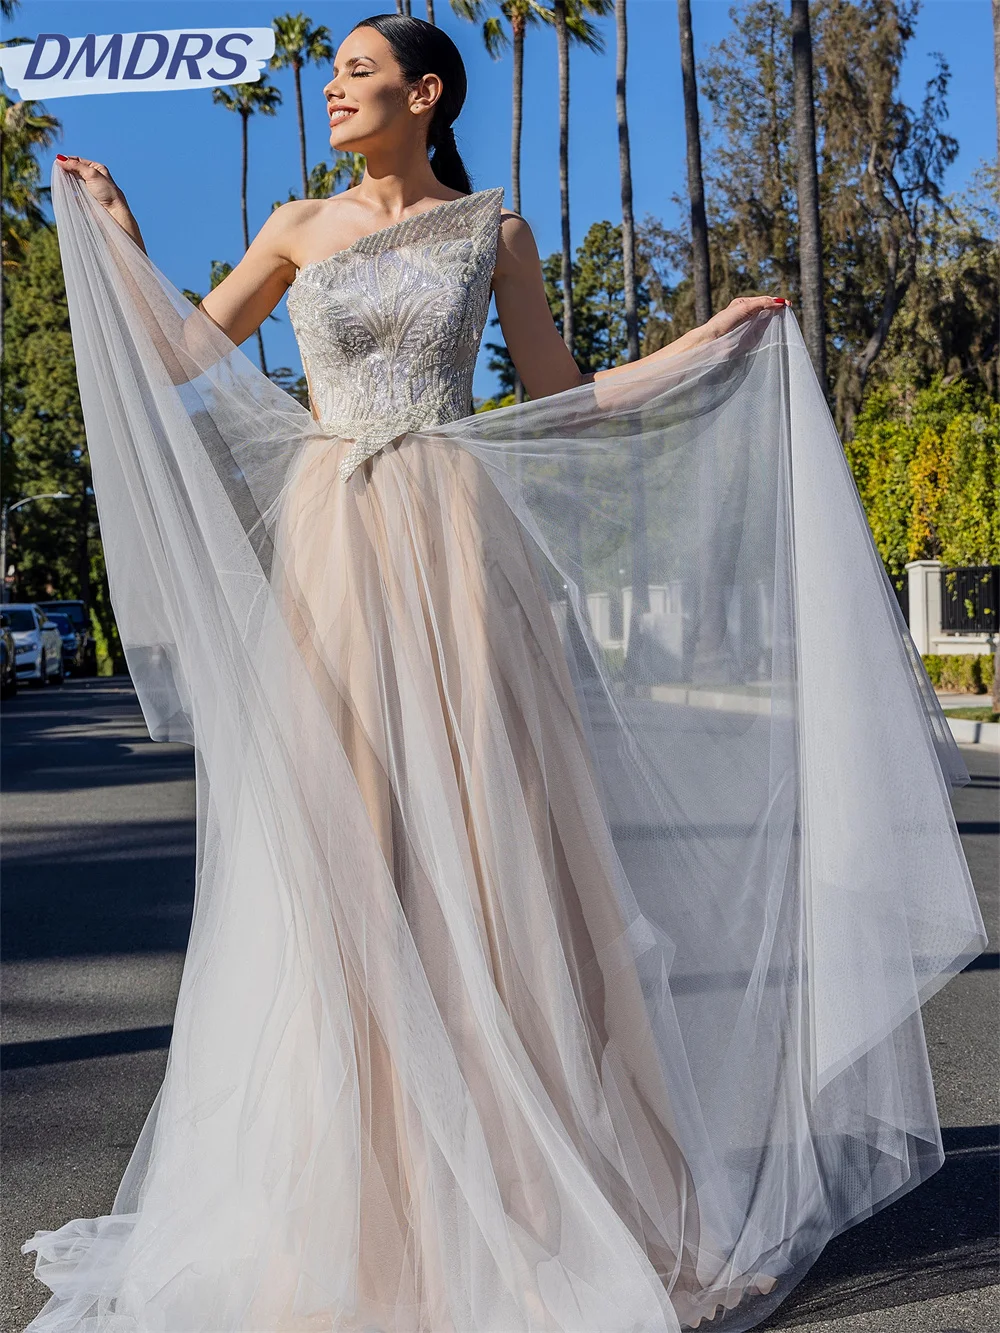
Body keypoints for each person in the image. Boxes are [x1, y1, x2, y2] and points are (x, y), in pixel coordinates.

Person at [22, 13, 984, 1333]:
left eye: (362, 73)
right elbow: (191, 357)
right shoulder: (299, 225)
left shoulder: (496, 233)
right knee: (344, 851)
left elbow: (560, 396)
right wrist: (122, 240)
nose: (338, 90)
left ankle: (533, 1182)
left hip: (455, 545)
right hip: (330, 546)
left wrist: (704, 348)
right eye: (336, 71)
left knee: (486, 854)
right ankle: (359, 1191)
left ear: (427, 95)